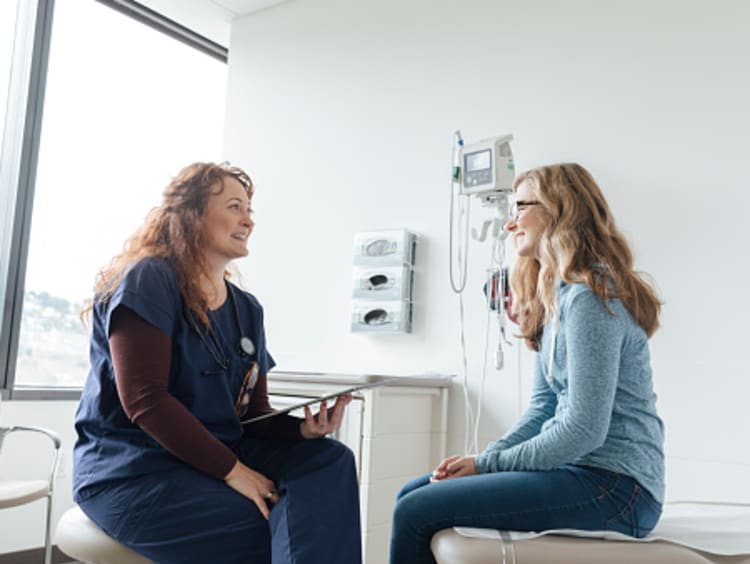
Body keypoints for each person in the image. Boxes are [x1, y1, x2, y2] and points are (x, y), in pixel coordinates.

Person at [73, 162, 362, 564]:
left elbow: (252, 415)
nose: (248, 220)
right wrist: (234, 472)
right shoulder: (149, 280)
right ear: (191, 214)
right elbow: (145, 400)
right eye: (234, 206)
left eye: (250, 210)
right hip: (134, 470)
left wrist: (303, 430)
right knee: (279, 524)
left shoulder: (247, 309)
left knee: (331, 460)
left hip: (219, 455)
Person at [390, 163, 665, 564]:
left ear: (560, 209)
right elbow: (543, 409)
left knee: (415, 510)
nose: (509, 223)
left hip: (619, 489)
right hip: (582, 474)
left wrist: (488, 464)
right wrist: (488, 460)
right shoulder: (556, 297)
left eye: (520, 207)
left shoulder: (589, 298)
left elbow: (585, 430)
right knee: (412, 494)